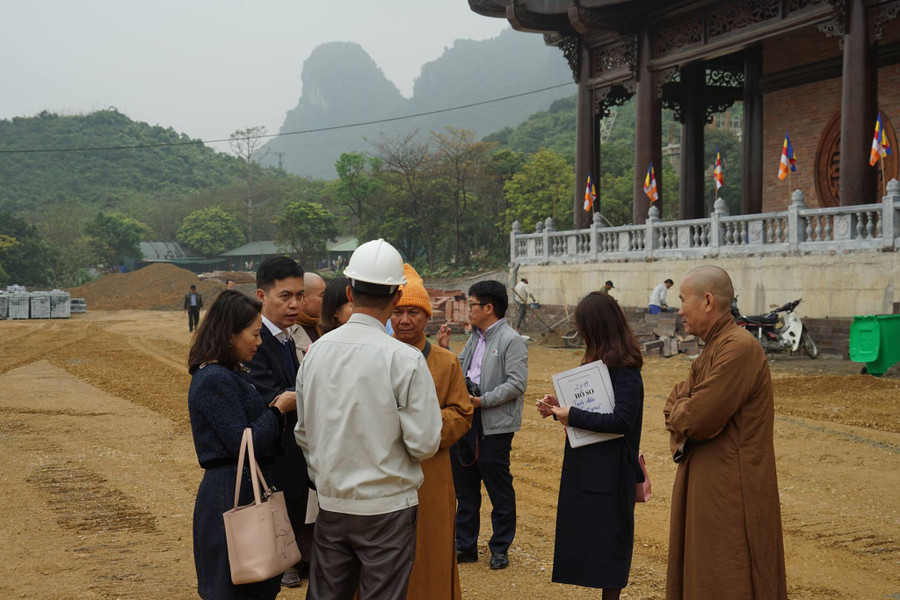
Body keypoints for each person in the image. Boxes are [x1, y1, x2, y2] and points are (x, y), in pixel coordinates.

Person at [295, 239, 441, 600]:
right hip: (388, 509)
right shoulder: (404, 359)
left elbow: (304, 432)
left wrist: (327, 474)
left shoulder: (316, 353)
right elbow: (424, 443)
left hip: (332, 504)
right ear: (396, 298)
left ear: (349, 290)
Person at [664, 266, 787, 600]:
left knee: (728, 573)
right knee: (703, 571)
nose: (679, 310)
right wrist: (682, 411)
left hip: (732, 489)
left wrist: (682, 413)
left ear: (706, 301)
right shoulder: (713, 348)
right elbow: (675, 403)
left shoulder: (738, 348)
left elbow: (698, 417)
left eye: (681, 300)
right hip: (709, 482)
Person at [187, 289, 297, 600]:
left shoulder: (226, 373)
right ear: (230, 334)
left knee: (254, 582)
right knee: (236, 585)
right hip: (231, 493)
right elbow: (242, 441)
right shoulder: (215, 379)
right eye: (254, 334)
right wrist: (278, 410)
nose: (260, 342)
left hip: (240, 487)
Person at [535, 291, 644, 600]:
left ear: (596, 328)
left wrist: (574, 413)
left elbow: (621, 422)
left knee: (610, 548)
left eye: (583, 326)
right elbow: (593, 415)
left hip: (611, 475)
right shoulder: (600, 365)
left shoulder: (626, 371)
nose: (580, 333)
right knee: (593, 544)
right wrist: (559, 411)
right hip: (591, 471)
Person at [391, 264, 473, 600]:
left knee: (431, 547)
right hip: (386, 469)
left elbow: (462, 413)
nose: (405, 320)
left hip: (431, 471)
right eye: (397, 312)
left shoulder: (445, 361)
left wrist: (420, 426)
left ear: (428, 317)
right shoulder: (378, 356)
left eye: (414, 312)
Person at [438, 280, 528, 570]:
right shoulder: (476, 337)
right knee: (465, 488)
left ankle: (500, 548)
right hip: (467, 420)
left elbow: (516, 383)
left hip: (494, 425)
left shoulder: (511, 340)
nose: (468, 309)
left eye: (472, 304)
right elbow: (460, 366)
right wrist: (445, 350)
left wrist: (483, 400)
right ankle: (465, 546)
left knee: (498, 486)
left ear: (488, 308)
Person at [246, 256, 310, 589]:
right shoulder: (256, 342)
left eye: (299, 295)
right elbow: (273, 397)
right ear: (261, 295)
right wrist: (324, 393)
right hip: (273, 461)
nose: (295, 304)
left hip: (293, 458)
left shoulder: (287, 338)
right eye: (285, 296)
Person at [290, 272, 326, 360]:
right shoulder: (288, 333)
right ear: (303, 297)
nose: (327, 299)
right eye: (322, 295)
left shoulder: (326, 327)